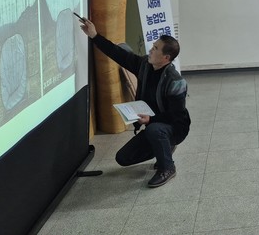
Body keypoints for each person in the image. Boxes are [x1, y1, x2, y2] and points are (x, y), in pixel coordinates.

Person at [78, 18, 190, 188]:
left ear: (166, 57)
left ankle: (167, 168)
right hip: (154, 126)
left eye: (155, 48)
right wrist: (94, 35)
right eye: (153, 46)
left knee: (155, 129)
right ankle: (165, 147)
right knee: (123, 158)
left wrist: (151, 120)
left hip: (174, 128)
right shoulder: (144, 65)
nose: (150, 50)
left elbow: (177, 118)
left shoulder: (175, 82)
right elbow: (118, 54)